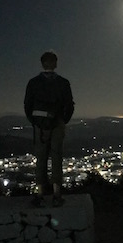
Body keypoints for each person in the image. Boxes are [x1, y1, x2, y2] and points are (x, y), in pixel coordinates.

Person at [24, 51, 74, 207]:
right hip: (57, 123)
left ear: (42, 64)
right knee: (56, 158)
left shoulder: (33, 82)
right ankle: (57, 195)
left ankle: (40, 195)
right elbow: (70, 105)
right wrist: (62, 121)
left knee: (41, 159)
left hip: (39, 126)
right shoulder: (63, 83)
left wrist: (35, 122)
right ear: (56, 64)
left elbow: (27, 105)